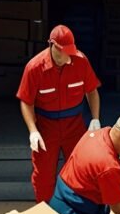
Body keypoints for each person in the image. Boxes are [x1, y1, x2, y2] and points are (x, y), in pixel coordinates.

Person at [17, 25, 102, 203]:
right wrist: (33, 130)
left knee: (81, 169)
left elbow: (92, 91)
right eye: (64, 52)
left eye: (71, 51)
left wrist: (95, 119)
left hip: (74, 125)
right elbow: (26, 101)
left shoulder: (80, 61)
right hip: (46, 126)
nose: (68, 57)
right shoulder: (34, 68)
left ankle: (77, 211)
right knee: (43, 177)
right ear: (52, 46)